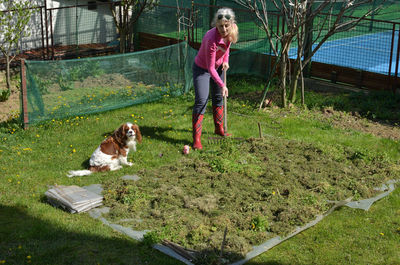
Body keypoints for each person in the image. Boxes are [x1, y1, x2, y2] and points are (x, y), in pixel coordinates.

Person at [192, 7, 239, 150]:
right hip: (202, 69)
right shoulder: (211, 39)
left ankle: (219, 129)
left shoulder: (231, 32)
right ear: (215, 25)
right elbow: (210, 68)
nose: (224, 29)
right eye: (220, 26)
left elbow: (227, 48)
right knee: (202, 99)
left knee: (218, 97)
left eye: (226, 26)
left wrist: (226, 60)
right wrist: (223, 85)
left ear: (231, 24)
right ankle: (197, 139)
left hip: (218, 67)